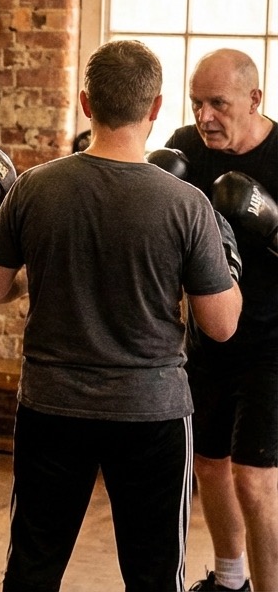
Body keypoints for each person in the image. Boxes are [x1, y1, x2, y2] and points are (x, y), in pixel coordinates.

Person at [0, 39, 243, 590]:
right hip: (151, 412)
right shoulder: (187, 205)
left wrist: (46, 273)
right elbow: (221, 324)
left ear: (86, 103)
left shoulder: (35, 187)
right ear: (156, 108)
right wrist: (229, 263)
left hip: (52, 406)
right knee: (153, 575)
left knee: (33, 567)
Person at [163, 49, 278, 592]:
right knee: (208, 467)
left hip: (273, 344)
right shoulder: (186, 148)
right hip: (207, 338)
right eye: (196, 102)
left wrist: (272, 225)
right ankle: (231, 582)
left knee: (253, 480)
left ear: (254, 100)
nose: (204, 115)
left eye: (218, 103)